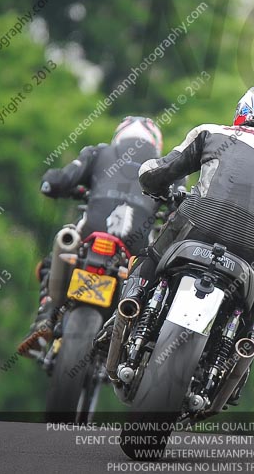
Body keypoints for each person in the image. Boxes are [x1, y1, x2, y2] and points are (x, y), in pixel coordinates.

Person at [97, 86, 254, 394]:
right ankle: (238, 358)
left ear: (241, 111)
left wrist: (152, 183)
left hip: (193, 225)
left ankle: (126, 312)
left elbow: (159, 171)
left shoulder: (209, 133)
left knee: (149, 259)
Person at [18, 116, 165, 354]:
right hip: (135, 245)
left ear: (119, 135)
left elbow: (59, 182)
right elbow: (178, 204)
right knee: (155, 282)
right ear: (155, 143)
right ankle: (133, 343)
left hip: (92, 230)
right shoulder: (165, 165)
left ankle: (46, 317)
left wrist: (54, 184)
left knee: (54, 256)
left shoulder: (98, 152)